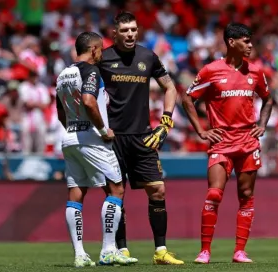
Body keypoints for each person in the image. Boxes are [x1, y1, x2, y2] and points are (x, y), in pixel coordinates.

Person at [182, 23, 274, 264]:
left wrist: (262, 124)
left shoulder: (255, 72)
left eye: (251, 40)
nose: (251, 44)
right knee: (214, 193)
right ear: (231, 42)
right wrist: (201, 130)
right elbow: (188, 99)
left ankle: (240, 251)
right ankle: (205, 251)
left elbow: (268, 100)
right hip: (221, 142)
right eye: (246, 40)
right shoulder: (211, 71)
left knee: (246, 195)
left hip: (248, 143)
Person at [97, 12, 184, 265]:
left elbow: (170, 87)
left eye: (133, 29)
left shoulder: (148, 56)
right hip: (112, 139)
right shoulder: (103, 58)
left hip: (143, 137)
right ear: (115, 33)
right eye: (124, 30)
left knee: (157, 189)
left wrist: (166, 122)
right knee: (116, 194)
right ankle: (120, 250)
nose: (130, 34)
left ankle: (161, 252)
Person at [56, 32, 138, 268]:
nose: (102, 53)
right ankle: (108, 250)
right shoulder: (91, 71)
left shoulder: (63, 74)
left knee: (76, 192)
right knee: (117, 189)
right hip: (92, 138)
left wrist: (74, 129)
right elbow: (90, 102)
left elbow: (60, 109)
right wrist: (102, 130)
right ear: (92, 50)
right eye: (100, 49)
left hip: (70, 137)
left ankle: (80, 255)